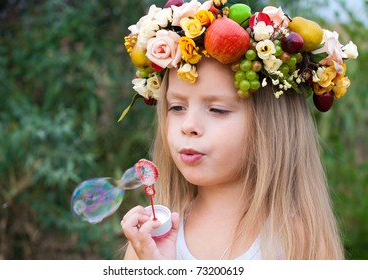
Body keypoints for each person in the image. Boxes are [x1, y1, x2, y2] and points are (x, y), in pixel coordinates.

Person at [119, 0, 358, 260]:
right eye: (176, 107)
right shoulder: (151, 240)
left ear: (270, 127)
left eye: (217, 110)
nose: (189, 126)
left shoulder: (298, 240)